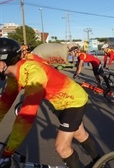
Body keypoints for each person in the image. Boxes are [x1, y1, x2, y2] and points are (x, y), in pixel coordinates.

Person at [0, 38, 100, 168]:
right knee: (80, 134)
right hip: (59, 102)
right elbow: (4, 104)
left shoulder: (34, 74)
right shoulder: (14, 75)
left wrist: (8, 153)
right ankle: (100, 162)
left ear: (2, 64)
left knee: (61, 147)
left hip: (73, 100)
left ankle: (98, 163)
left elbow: (25, 118)